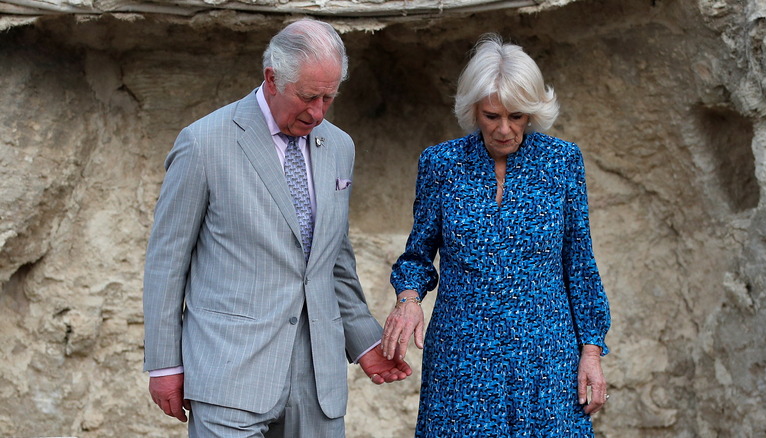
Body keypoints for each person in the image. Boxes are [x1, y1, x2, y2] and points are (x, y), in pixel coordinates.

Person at [143, 18, 411, 437]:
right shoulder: (203, 142)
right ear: (271, 79)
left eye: (329, 97)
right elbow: (166, 262)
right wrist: (164, 364)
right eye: (307, 97)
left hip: (318, 382)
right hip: (228, 373)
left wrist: (365, 344)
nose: (318, 112)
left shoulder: (340, 146)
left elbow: (334, 259)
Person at [381, 34, 611, 437]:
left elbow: (579, 263)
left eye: (517, 116)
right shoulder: (442, 164)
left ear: (534, 112)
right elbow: (417, 257)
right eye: (491, 116)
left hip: (546, 357)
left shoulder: (562, 163)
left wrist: (591, 351)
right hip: (462, 359)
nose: (505, 129)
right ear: (473, 110)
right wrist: (408, 299)